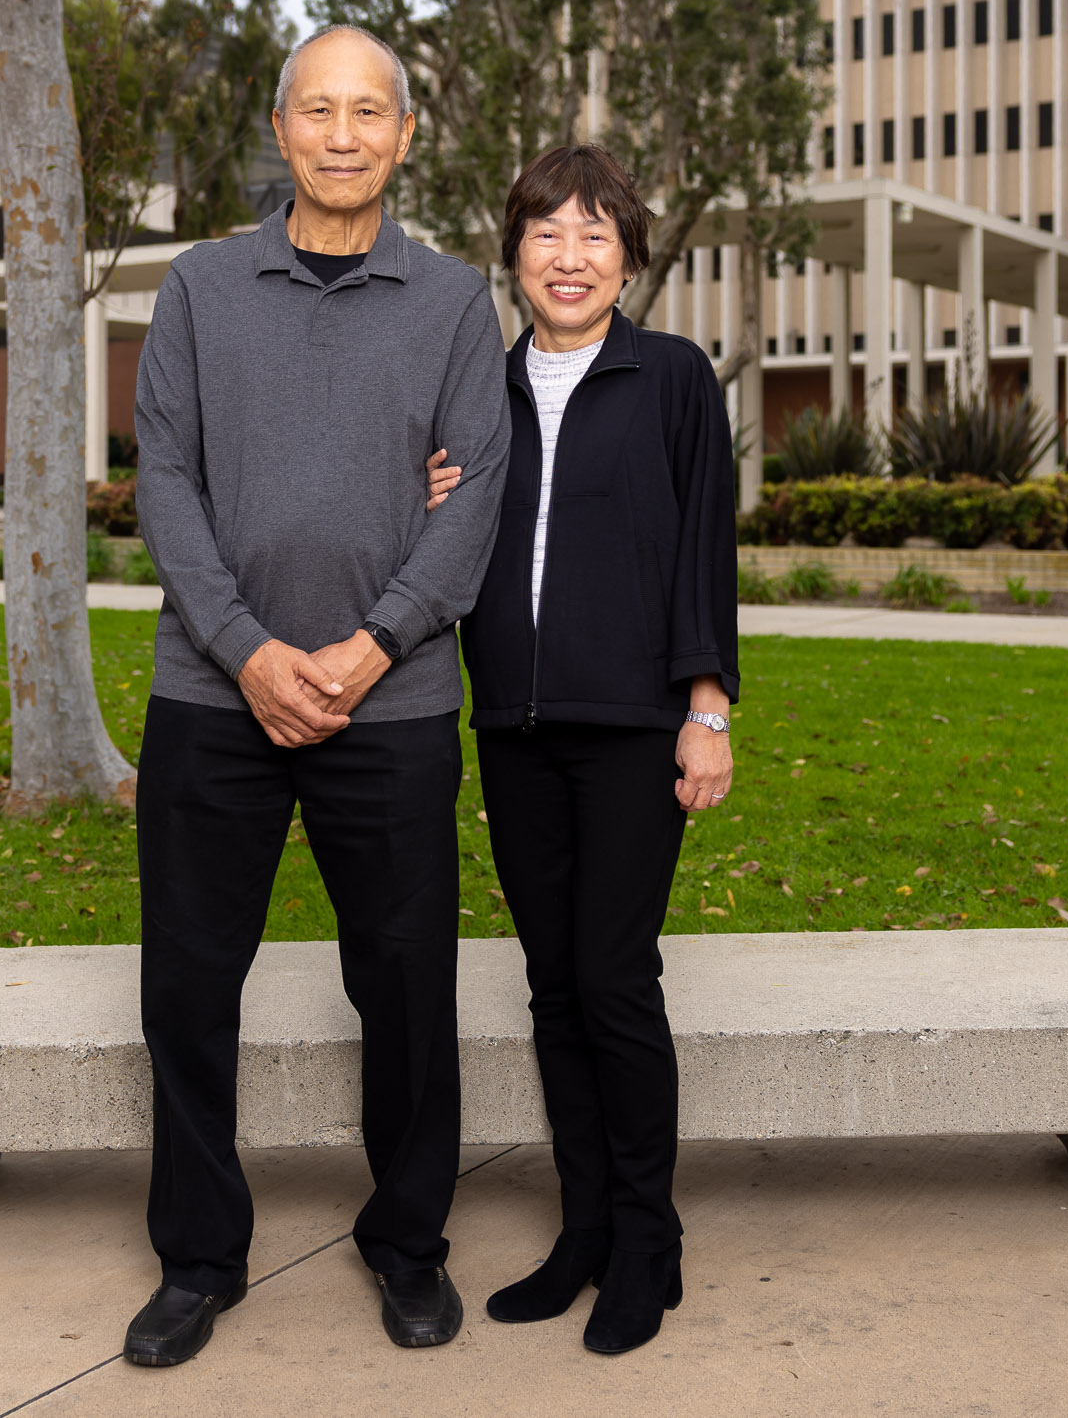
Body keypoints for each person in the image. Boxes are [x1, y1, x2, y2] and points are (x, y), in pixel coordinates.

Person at [125, 24, 511, 1369]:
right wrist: (244, 649)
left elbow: (478, 508)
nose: (344, 134)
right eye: (318, 109)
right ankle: (198, 1254)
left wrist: (368, 647)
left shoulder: (459, 302)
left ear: (405, 136)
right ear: (279, 128)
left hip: (392, 705)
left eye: (371, 112)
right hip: (211, 695)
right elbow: (164, 484)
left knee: (405, 984)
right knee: (186, 982)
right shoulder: (198, 289)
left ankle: (408, 1241)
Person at [427, 143, 738, 1356]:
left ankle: (648, 1244)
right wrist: (431, 488)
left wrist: (706, 711)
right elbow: (443, 541)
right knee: (552, 986)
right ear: (513, 254)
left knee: (613, 978)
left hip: (631, 729)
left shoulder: (670, 378)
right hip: (512, 724)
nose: (570, 255)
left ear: (628, 257)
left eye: (596, 233)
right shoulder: (480, 393)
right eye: (547, 233)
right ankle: (585, 1228)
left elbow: (704, 549)